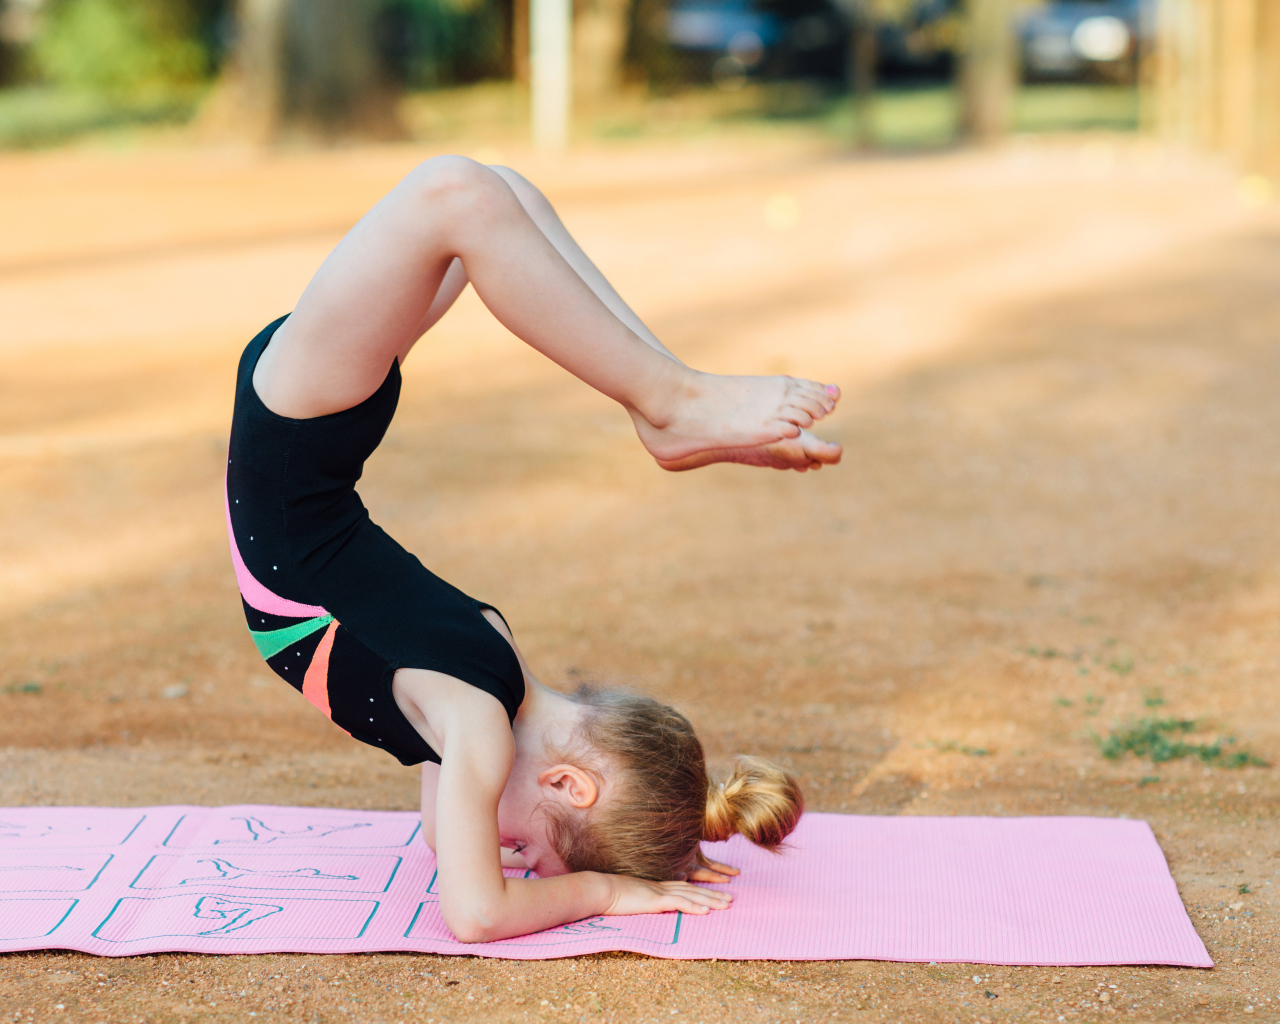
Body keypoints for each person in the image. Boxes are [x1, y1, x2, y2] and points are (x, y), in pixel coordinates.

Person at [226, 157, 841, 943]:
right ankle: (671, 402)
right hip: (297, 436)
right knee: (475, 194)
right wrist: (602, 891)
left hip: (308, 438)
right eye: (525, 848)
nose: (498, 850)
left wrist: (655, 835)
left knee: (486, 198)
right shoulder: (473, 723)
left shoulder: (492, 663)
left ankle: (665, 404)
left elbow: (452, 849)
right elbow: (477, 913)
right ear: (564, 782)